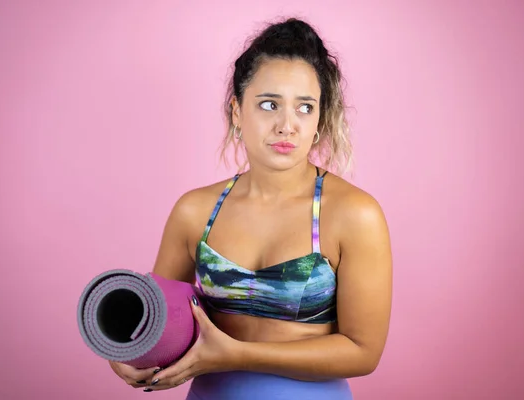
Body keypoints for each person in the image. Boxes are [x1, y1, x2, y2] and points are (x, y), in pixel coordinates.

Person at [109, 17, 392, 399]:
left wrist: (235, 355)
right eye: (269, 104)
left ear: (320, 120)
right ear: (237, 111)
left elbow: (363, 352)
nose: (287, 125)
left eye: (305, 108)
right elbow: (162, 318)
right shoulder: (194, 212)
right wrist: (129, 351)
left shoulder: (355, 214)